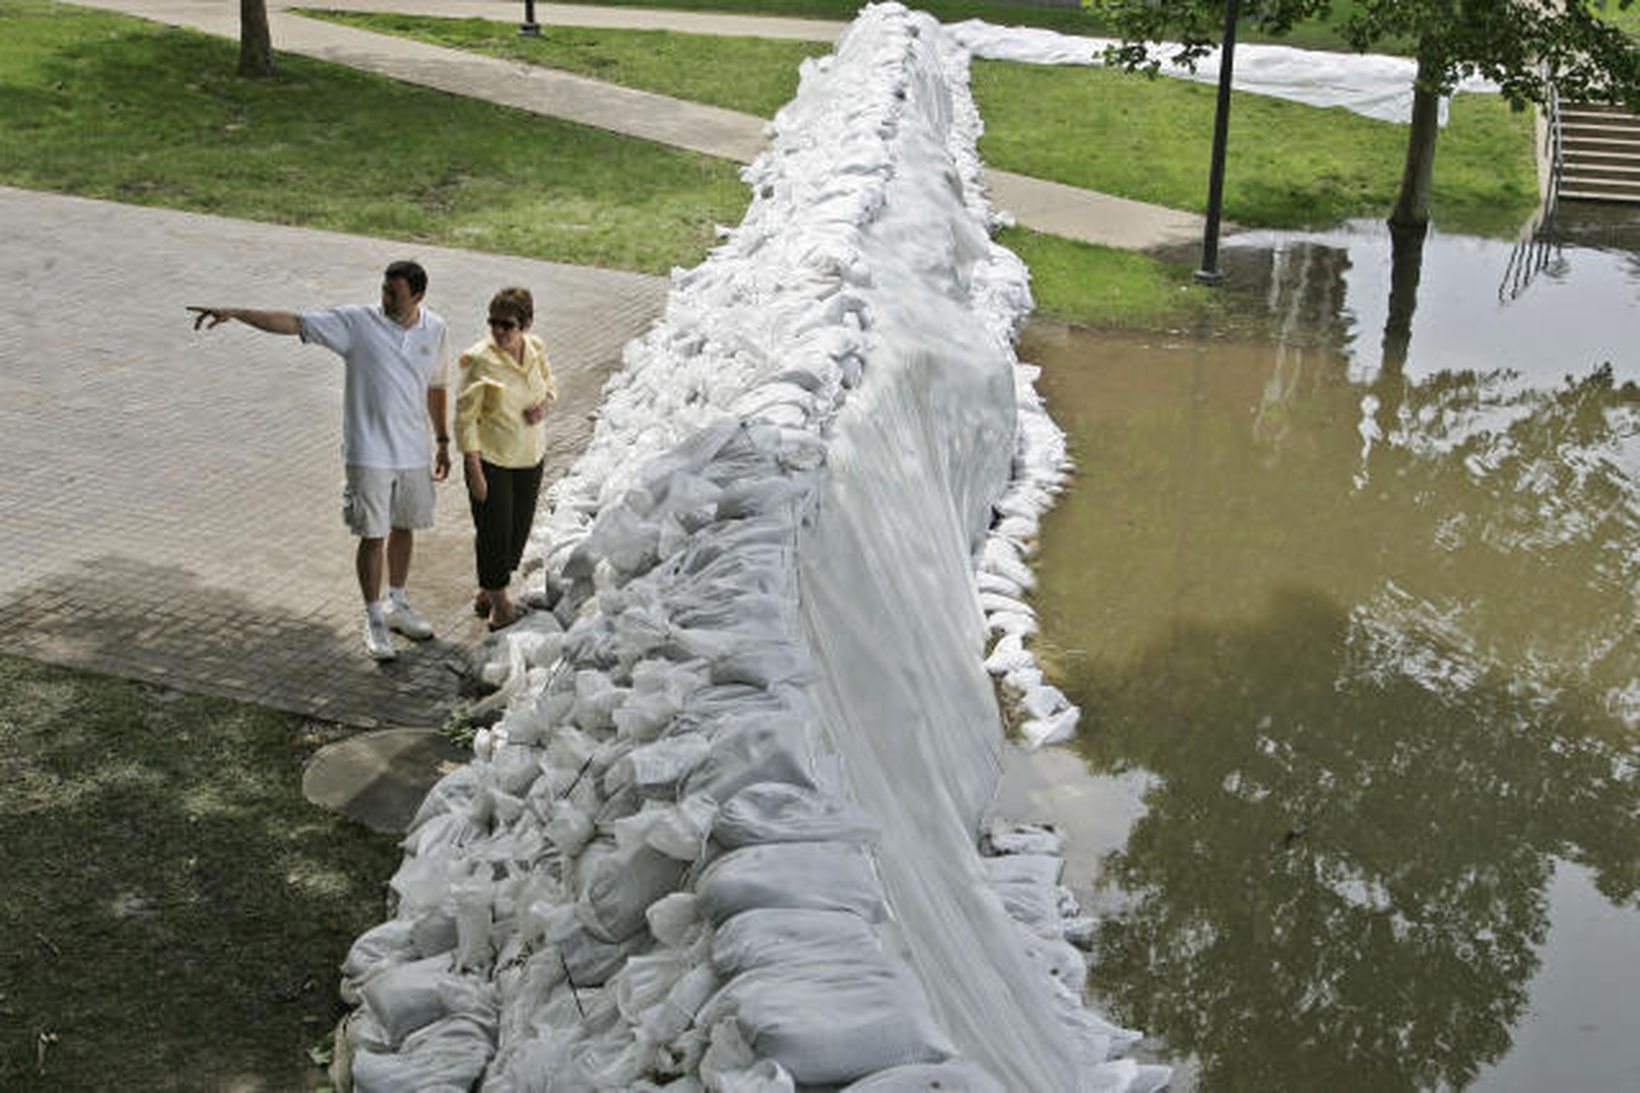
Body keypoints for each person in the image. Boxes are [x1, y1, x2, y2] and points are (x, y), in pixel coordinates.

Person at [188, 260, 453, 661]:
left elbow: (436, 385)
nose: (384, 298)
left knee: (405, 527)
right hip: (369, 452)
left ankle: (397, 604)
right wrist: (238, 314)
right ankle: (373, 617)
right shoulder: (356, 323)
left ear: (418, 296)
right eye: (383, 290)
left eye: (393, 294)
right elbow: (294, 322)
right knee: (373, 534)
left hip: (413, 451)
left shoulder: (435, 329)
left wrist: (443, 439)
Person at [455, 286, 556, 631]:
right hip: (492, 461)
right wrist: (474, 469)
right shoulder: (479, 360)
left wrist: (543, 407)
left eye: (507, 324)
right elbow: (465, 418)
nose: (498, 331)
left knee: (516, 533)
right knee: (494, 533)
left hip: (530, 456)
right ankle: (500, 608)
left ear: (526, 324)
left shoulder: (536, 348)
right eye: (493, 323)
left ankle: (488, 589)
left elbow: (551, 386)